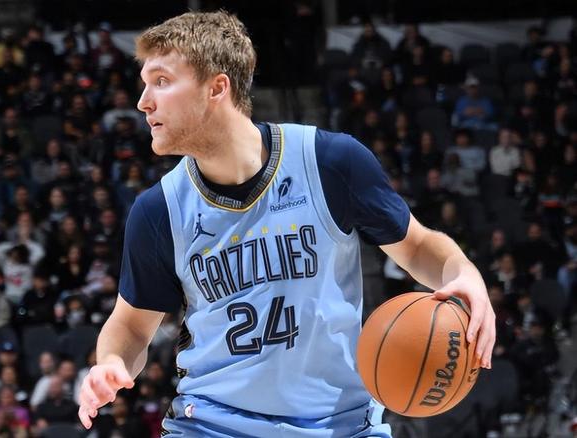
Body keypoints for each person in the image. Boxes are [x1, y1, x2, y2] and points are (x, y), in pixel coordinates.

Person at [78, 11, 496, 437]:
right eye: (145, 84)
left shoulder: (329, 162)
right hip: (211, 424)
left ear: (216, 88)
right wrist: (111, 362)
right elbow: (131, 325)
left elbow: (417, 246)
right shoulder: (158, 210)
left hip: (341, 424)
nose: (143, 101)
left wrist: (463, 273)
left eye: (162, 81)